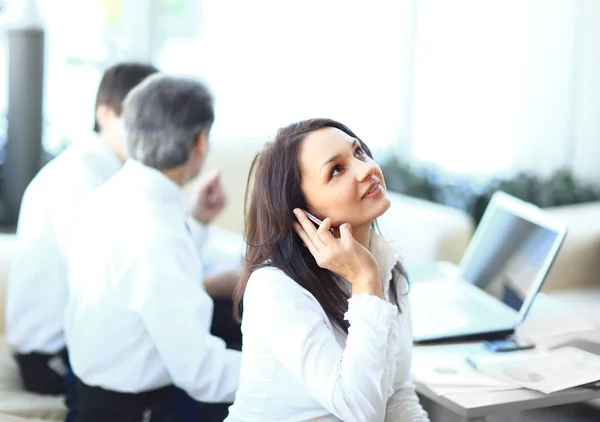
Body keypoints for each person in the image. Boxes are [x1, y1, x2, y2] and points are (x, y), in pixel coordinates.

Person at [226, 118, 430, 421]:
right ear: (302, 211)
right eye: (336, 170)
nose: (367, 169)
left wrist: (369, 276)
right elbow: (362, 412)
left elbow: (398, 395)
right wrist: (365, 281)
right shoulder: (274, 289)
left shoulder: (386, 264)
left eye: (358, 152)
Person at [64, 74, 240, 422]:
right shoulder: (157, 231)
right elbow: (201, 374)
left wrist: (197, 222)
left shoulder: (109, 196)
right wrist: (285, 373)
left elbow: (147, 278)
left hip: (91, 390)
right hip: (136, 412)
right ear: (200, 142)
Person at [5, 63, 160, 397]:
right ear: (104, 114)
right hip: (49, 357)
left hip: (86, 337)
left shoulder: (120, 172)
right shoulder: (77, 177)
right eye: (140, 119)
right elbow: (105, 276)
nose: (151, 132)